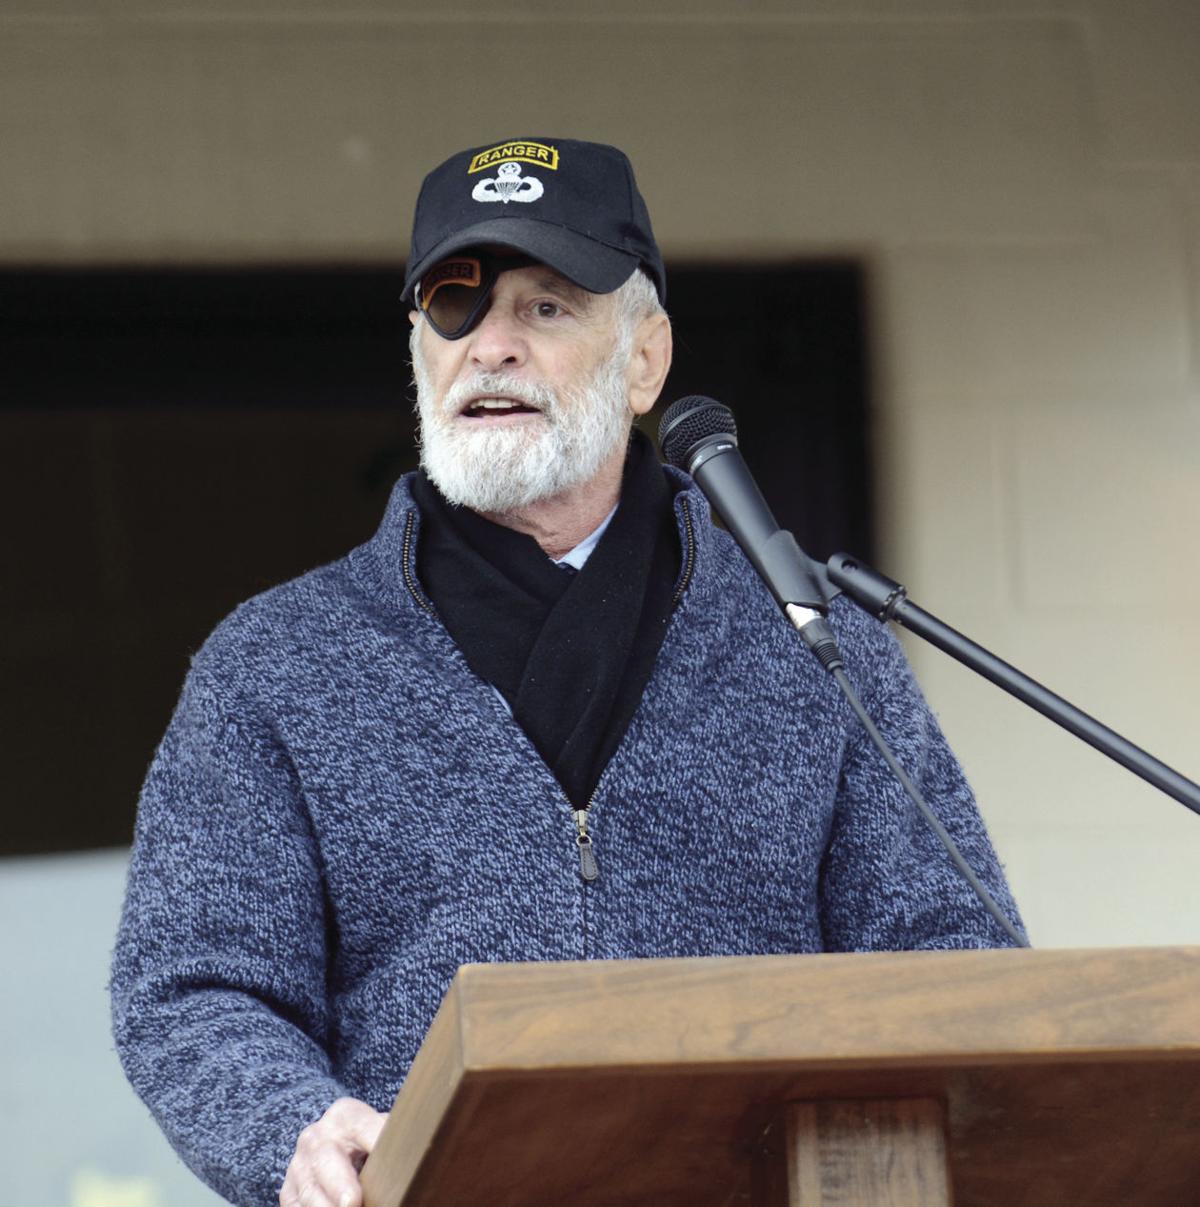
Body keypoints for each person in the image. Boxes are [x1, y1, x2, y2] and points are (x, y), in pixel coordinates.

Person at [110, 137, 1023, 1207]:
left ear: (645, 359)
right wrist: (291, 1125)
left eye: (546, 307)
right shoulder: (272, 667)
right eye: (456, 305)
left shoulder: (817, 649)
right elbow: (192, 988)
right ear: (419, 347)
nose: (490, 345)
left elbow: (955, 962)